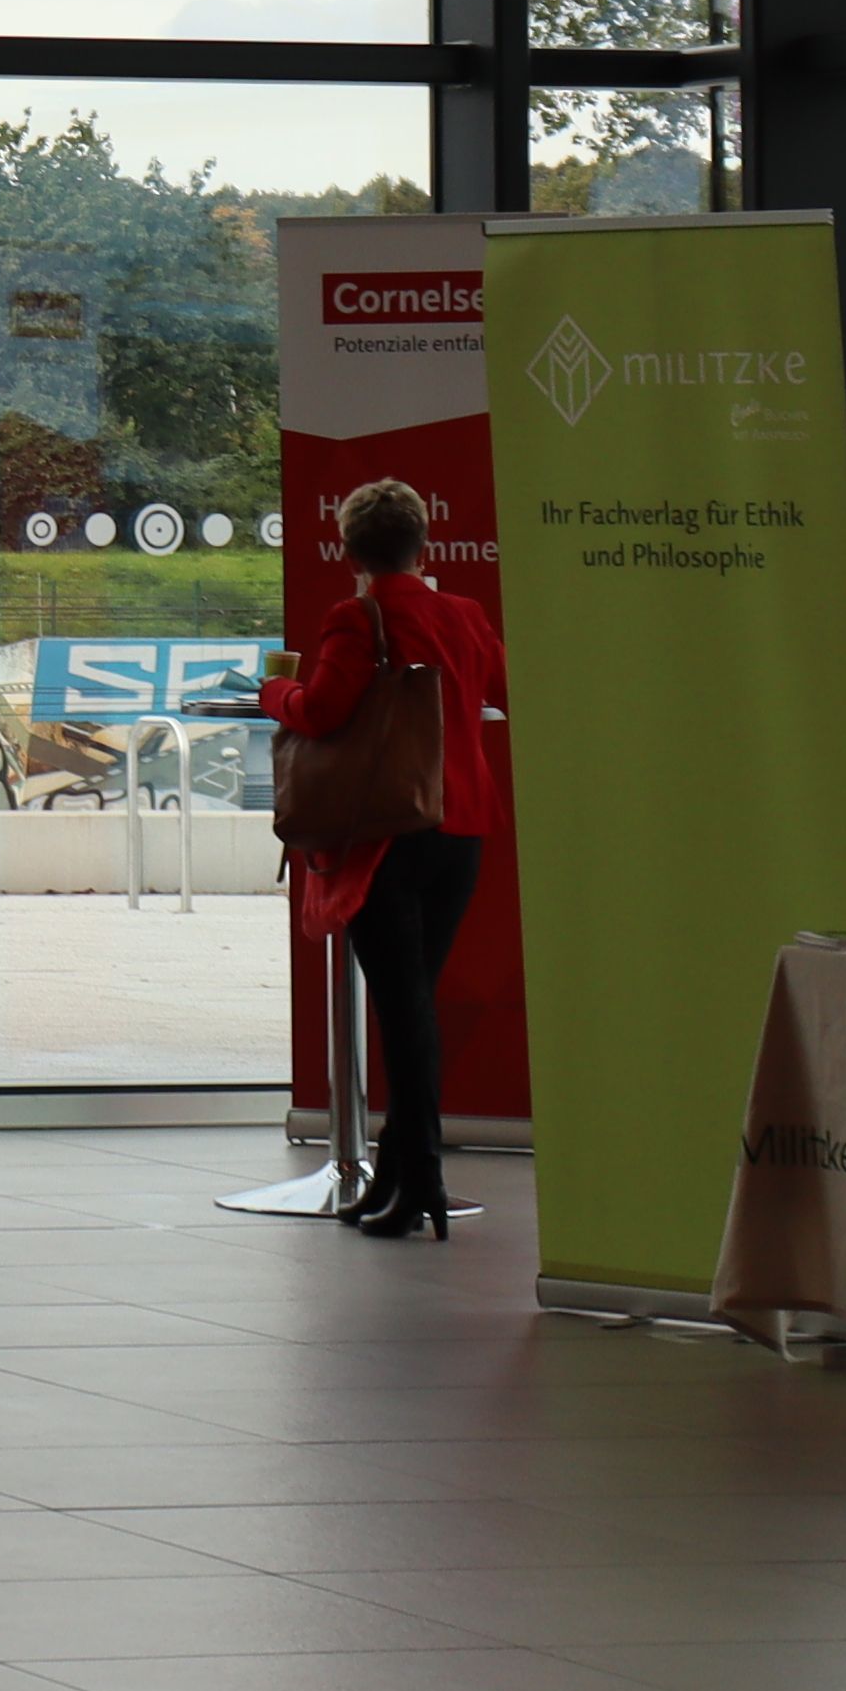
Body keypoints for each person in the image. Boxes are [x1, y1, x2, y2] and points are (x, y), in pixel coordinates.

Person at [274, 473, 507, 1238]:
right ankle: (403, 1173)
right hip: (462, 827)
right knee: (415, 1008)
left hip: (387, 835)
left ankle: (420, 1180)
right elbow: (507, 685)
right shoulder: (465, 615)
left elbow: (321, 709)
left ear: (351, 552)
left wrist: (275, 693)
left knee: (403, 1011)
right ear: (423, 544)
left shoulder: (355, 619)